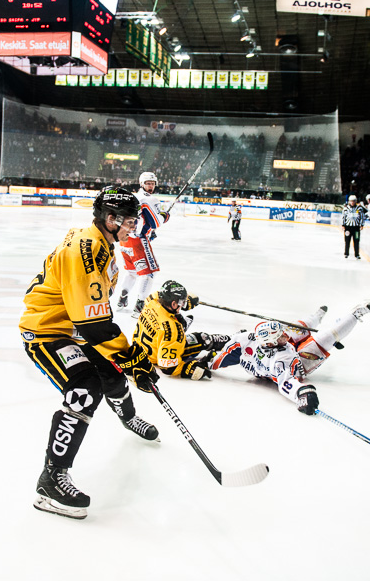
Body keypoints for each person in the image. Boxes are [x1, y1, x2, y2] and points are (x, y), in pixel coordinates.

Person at [20, 186, 161, 520]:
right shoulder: (86, 250)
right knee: (84, 390)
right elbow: (95, 324)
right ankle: (50, 480)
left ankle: (128, 418)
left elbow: (93, 316)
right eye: (128, 222)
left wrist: (126, 363)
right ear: (110, 219)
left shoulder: (101, 242)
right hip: (46, 331)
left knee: (112, 376)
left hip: (73, 326)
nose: (133, 229)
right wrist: (135, 358)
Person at [208, 301, 370, 415]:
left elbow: (223, 355)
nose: (284, 337)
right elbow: (286, 383)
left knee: (296, 328)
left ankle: (316, 317)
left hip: (274, 354)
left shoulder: (250, 337)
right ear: (272, 343)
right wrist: (302, 393)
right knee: (326, 338)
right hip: (299, 364)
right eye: (280, 337)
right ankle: (355, 315)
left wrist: (207, 362)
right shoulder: (282, 360)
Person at [132, 279, 230, 380]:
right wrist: (189, 369)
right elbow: (168, 367)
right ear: (173, 304)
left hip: (140, 348)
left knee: (176, 320)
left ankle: (181, 326)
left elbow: (161, 294)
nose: (183, 305)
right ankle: (231, 341)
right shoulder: (173, 330)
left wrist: (186, 301)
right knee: (203, 338)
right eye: (182, 303)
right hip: (156, 356)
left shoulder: (151, 299)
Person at [115, 172, 171, 317]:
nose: (150, 186)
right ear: (142, 184)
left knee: (132, 272)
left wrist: (147, 231)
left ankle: (122, 300)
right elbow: (156, 222)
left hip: (124, 239)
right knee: (149, 274)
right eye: (148, 183)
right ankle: (139, 306)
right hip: (137, 241)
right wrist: (165, 216)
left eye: (152, 183)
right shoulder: (150, 199)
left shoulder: (133, 197)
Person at [341, 195, 365, 259]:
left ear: (356, 201)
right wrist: (343, 224)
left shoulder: (359, 208)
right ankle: (346, 253)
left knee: (356, 240)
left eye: (353, 201)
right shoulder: (346, 209)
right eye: (351, 201)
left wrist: (362, 224)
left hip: (356, 228)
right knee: (347, 241)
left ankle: (357, 254)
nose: (352, 202)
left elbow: (362, 217)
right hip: (348, 227)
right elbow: (343, 217)